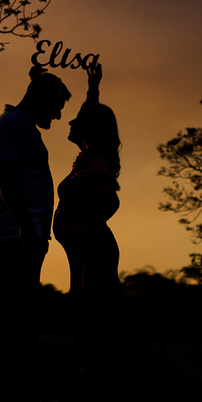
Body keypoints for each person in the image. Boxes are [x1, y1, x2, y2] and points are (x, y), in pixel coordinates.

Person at [0, 64, 71, 402]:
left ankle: (15, 390)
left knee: (20, 311)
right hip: (16, 233)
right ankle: (8, 392)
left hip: (23, 232)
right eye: (56, 106)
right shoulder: (13, 125)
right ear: (42, 97)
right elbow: (6, 175)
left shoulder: (20, 125)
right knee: (14, 311)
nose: (58, 115)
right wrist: (25, 227)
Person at [53, 62, 124, 380]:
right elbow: (91, 111)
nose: (70, 120)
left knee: (90, 314)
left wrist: (83, 227)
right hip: (81, 250)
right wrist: (92, 88)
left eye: (78, 119)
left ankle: (108, 375)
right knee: (85, 313)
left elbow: (111, 199)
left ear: (90, 128)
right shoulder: (86, 157)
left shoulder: (96, 160)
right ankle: (101, 372)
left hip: (95, 247)